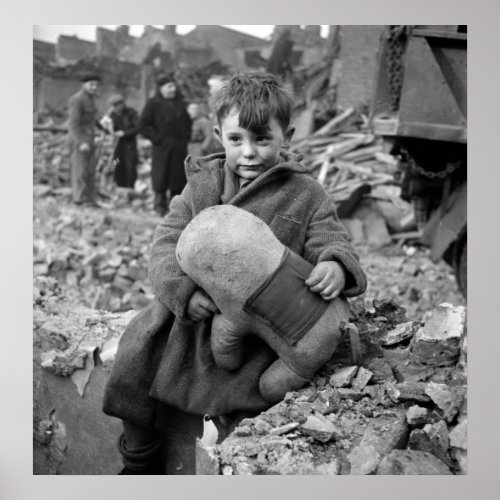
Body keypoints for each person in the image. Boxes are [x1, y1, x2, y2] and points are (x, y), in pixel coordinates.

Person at [102, 72, 367, 474]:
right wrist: (182, 293)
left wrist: (334, 263)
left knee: (249, 390)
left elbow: (330, 237)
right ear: (217, 135)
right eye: (236, 139)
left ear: (287, 136)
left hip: (256, 326)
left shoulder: (305, 193)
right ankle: (140, 457)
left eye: (263, 139)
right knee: (137, 354)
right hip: (191, 316)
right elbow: (165, 243)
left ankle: (229, 458)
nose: (249, 153)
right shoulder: (200, 186)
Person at [138, 73, 192, 217]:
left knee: (178, 178)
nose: (173, 89)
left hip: (179, 147)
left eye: (174, 86)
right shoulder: (153, 104)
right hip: (162, 147)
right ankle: (159, 206)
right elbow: (143, 125)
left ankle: (176, 209)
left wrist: (185, 138)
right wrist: (158, 139)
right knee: (161, 177)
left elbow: (187, 123)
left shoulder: (180, 103)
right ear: (161, 88)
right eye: (169, 86)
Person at [67, 74, 102, 206]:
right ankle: (79, 199)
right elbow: (73, 124)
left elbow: (92, 120)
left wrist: (103, 127)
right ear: (84, 84)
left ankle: (89, 199)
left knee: (90, 171)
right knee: (80, 170)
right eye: (91, 84)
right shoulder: (77, 99)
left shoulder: (91, 99)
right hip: (80, 140)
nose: (94, 87)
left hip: (91, 138)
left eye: (96, 85)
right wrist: (80, 142)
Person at [106, 94, 140, 188]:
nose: (116, 107)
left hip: (129, 147)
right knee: (116, 165)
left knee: (130, 167)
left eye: (118, 104)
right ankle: (118, 185)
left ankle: (130, 187)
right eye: (114, 105)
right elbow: (109, 129)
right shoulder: (112, 115)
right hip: (117, 147)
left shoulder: (131, 113)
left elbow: (137, 128)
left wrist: (124, 133)